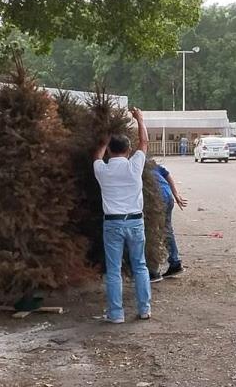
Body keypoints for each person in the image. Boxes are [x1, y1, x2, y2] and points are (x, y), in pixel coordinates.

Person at [93, 108, 152, 323]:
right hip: (135, 222)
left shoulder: (101, 170)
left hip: (112, 224)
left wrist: (104, 141)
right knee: (140, 265)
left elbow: (97, 156)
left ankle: (116, 314)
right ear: (128, 150)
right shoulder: (134, 167)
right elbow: (144, 144)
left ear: (109, 151)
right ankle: (144, 309)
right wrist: (140, 119)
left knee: (114, 270)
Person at [148, 160, 188, 282]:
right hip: (166, 195)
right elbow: (166, 174)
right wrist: (175, 194)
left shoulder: (135, 162)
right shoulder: (149, 162)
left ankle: (152, 270)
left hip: (155, 197)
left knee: (150, 232)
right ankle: (175, 263)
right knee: (166, 230)